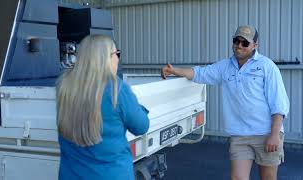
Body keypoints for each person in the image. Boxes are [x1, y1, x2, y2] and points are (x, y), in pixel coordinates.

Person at [161, 25, 289, 180]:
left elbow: (279, 103)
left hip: (266, 132)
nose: (239, 46)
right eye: (236, 41)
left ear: (255, 45)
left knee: (268, 178)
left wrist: (275, 134)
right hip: (239, 134)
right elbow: (200, 73)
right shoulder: (225, 66)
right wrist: (174, 70)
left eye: (245, 43)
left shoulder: (267, 67)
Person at [56, 35, 149, 180]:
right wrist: (139, 107)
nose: (118, 59)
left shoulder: (64, 85)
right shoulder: (117, 90)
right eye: (116, 54)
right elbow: (141, 126)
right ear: (105, 58)